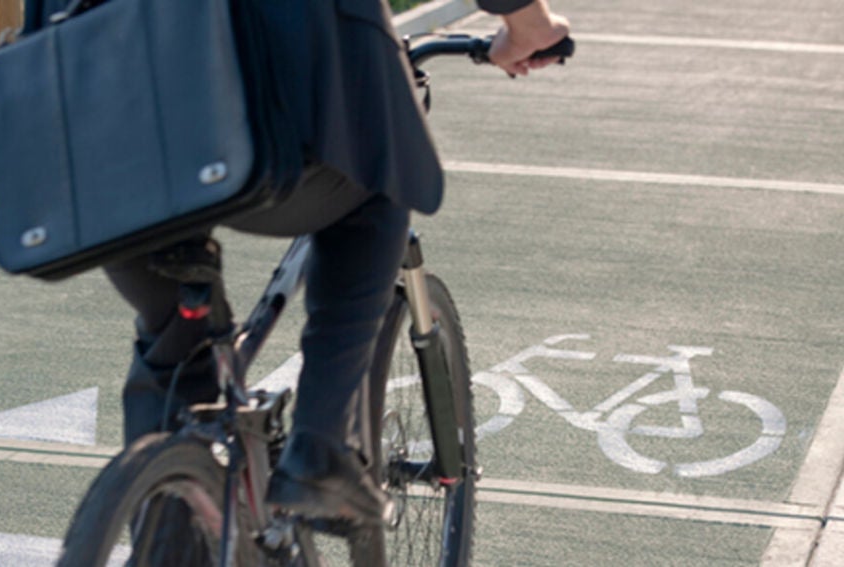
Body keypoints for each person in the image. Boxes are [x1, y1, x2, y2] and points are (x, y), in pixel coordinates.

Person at [106, 0, 570, 528]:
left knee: (175, 337)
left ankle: (165, 531)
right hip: (240, 119)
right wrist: (531, 28)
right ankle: (320, 449)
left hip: (99, 145)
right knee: (381, 182)